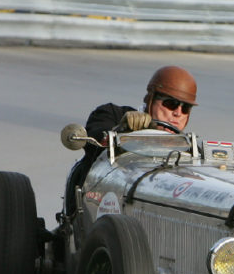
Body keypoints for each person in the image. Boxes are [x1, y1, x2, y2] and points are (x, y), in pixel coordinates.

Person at [65, 65, 197, 214]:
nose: (178, 113)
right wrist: (123, 130)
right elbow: (96, 139)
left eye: (185, 108)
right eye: (171, 104)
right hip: (102, 207)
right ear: (151, 99)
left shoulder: (189, 149)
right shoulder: (111, 114)